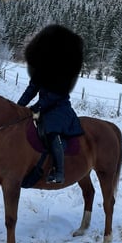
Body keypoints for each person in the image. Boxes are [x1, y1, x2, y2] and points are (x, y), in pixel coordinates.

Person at [16, 25, 84, 184]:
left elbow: (57, 94)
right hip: (44, 107)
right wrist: (18, 107)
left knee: (51, 132)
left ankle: (59, 171)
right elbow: (32, 89)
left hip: (59, 108)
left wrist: (38, 106)